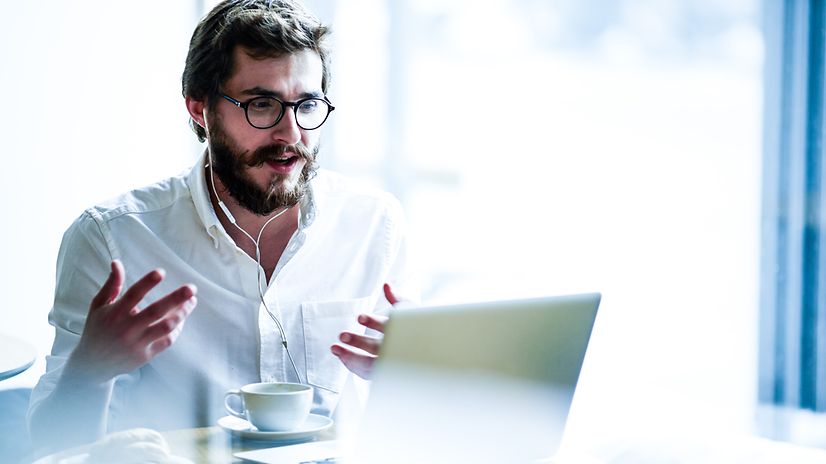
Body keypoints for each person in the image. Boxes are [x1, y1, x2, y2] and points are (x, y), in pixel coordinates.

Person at [27, 0, 418, 455]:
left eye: (307, 104)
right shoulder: (112, 239)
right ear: (200, 109)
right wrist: (89, 370)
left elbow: (411, 421)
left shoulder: (374, 224)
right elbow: (48, 447)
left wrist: (411, 372)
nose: (290, 133)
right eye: (262, 105)